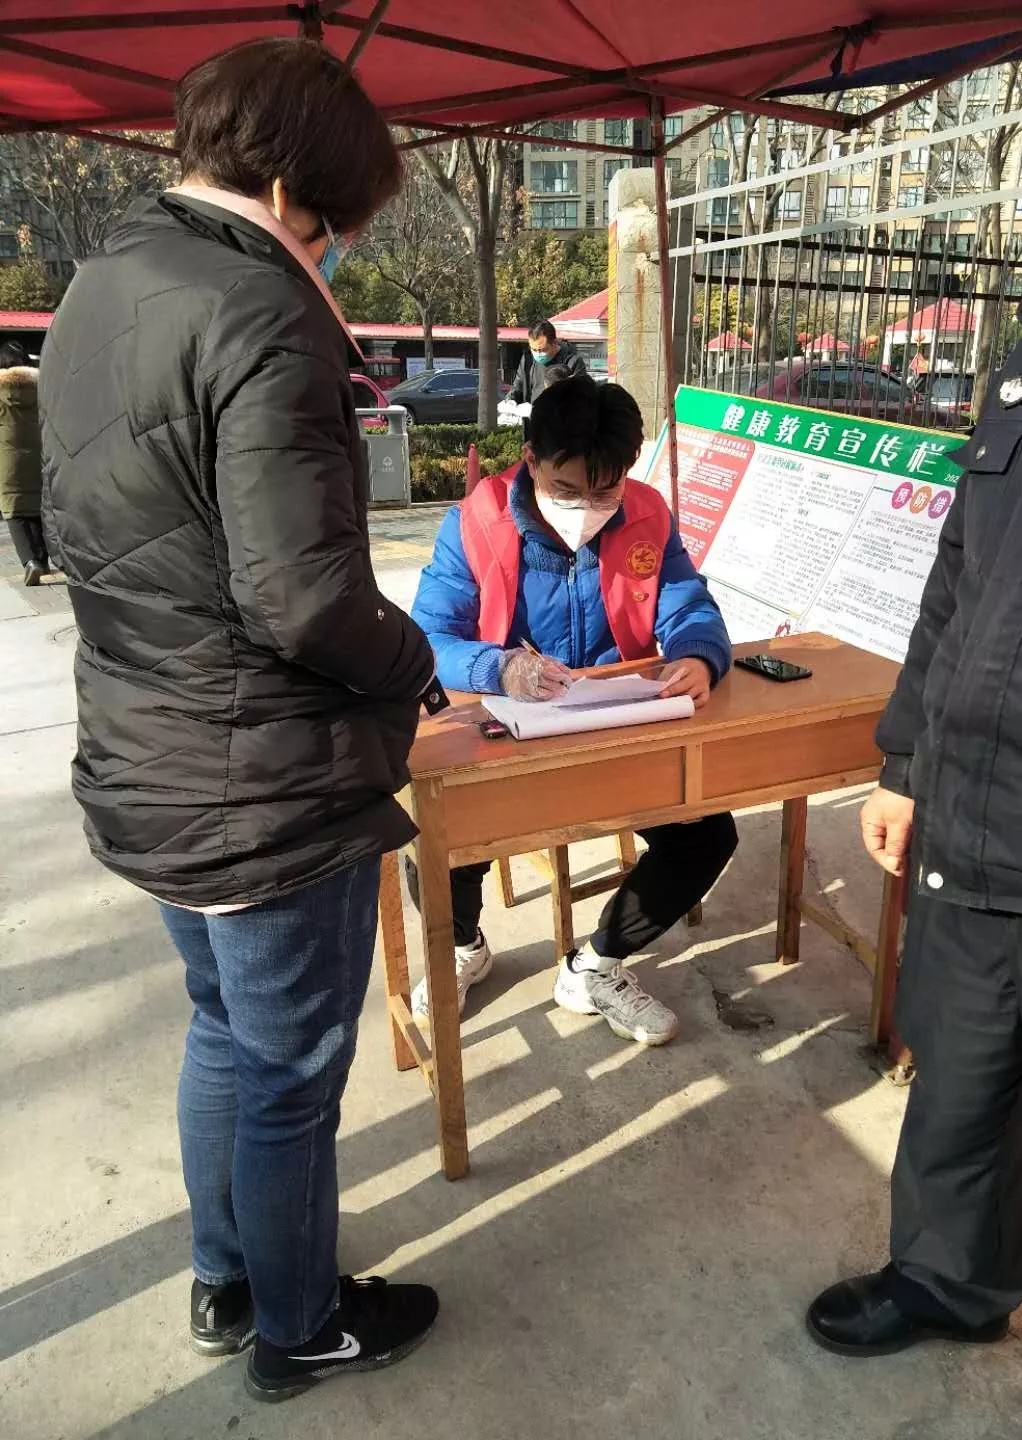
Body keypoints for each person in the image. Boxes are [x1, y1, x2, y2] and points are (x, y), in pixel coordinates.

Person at [39, 39, 440, 1404]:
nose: (331, 253)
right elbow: (304, 598)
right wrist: (414, 661)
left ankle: (227, 1276)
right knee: (289, 1073)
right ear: (282, 190)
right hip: (264, 782)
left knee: (224, 1031)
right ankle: (300, 1327)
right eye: (331, 227)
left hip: (146, 751)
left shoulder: (102, 285)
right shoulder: (262, 309)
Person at [807, 9, 1022, 1428]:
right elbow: (957, 580)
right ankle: (948, 1278)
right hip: (973, 823)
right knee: (960, 1083)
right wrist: (905, 758)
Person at [408, 373, 738, 1045]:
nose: (587, 509)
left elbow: (687, 601)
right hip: (509, 729)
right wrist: (499, 667)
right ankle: (465, 944)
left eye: (605, 492)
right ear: (530, 459)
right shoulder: (475, 522)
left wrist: (700, 656)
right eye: (566, 489)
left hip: (615, 727)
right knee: (438, 836)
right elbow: (428, 639)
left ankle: (596, 965)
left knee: (708, 832)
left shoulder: (645, 514)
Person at [0, 340, 50, 586]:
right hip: (38, 456)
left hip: (7, 462)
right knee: (36, 507)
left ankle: (30, 561)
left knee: (13, 510)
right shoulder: (41, 388)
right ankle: (43, 559)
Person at [506, 319, 588, 408]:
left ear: (554, 343)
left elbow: (580, 398)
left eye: (542, 350)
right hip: (532, 413)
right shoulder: (528, 360)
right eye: (534, 349)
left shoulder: (573, 362)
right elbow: (517, 387)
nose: (538, 354)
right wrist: (511, 401)